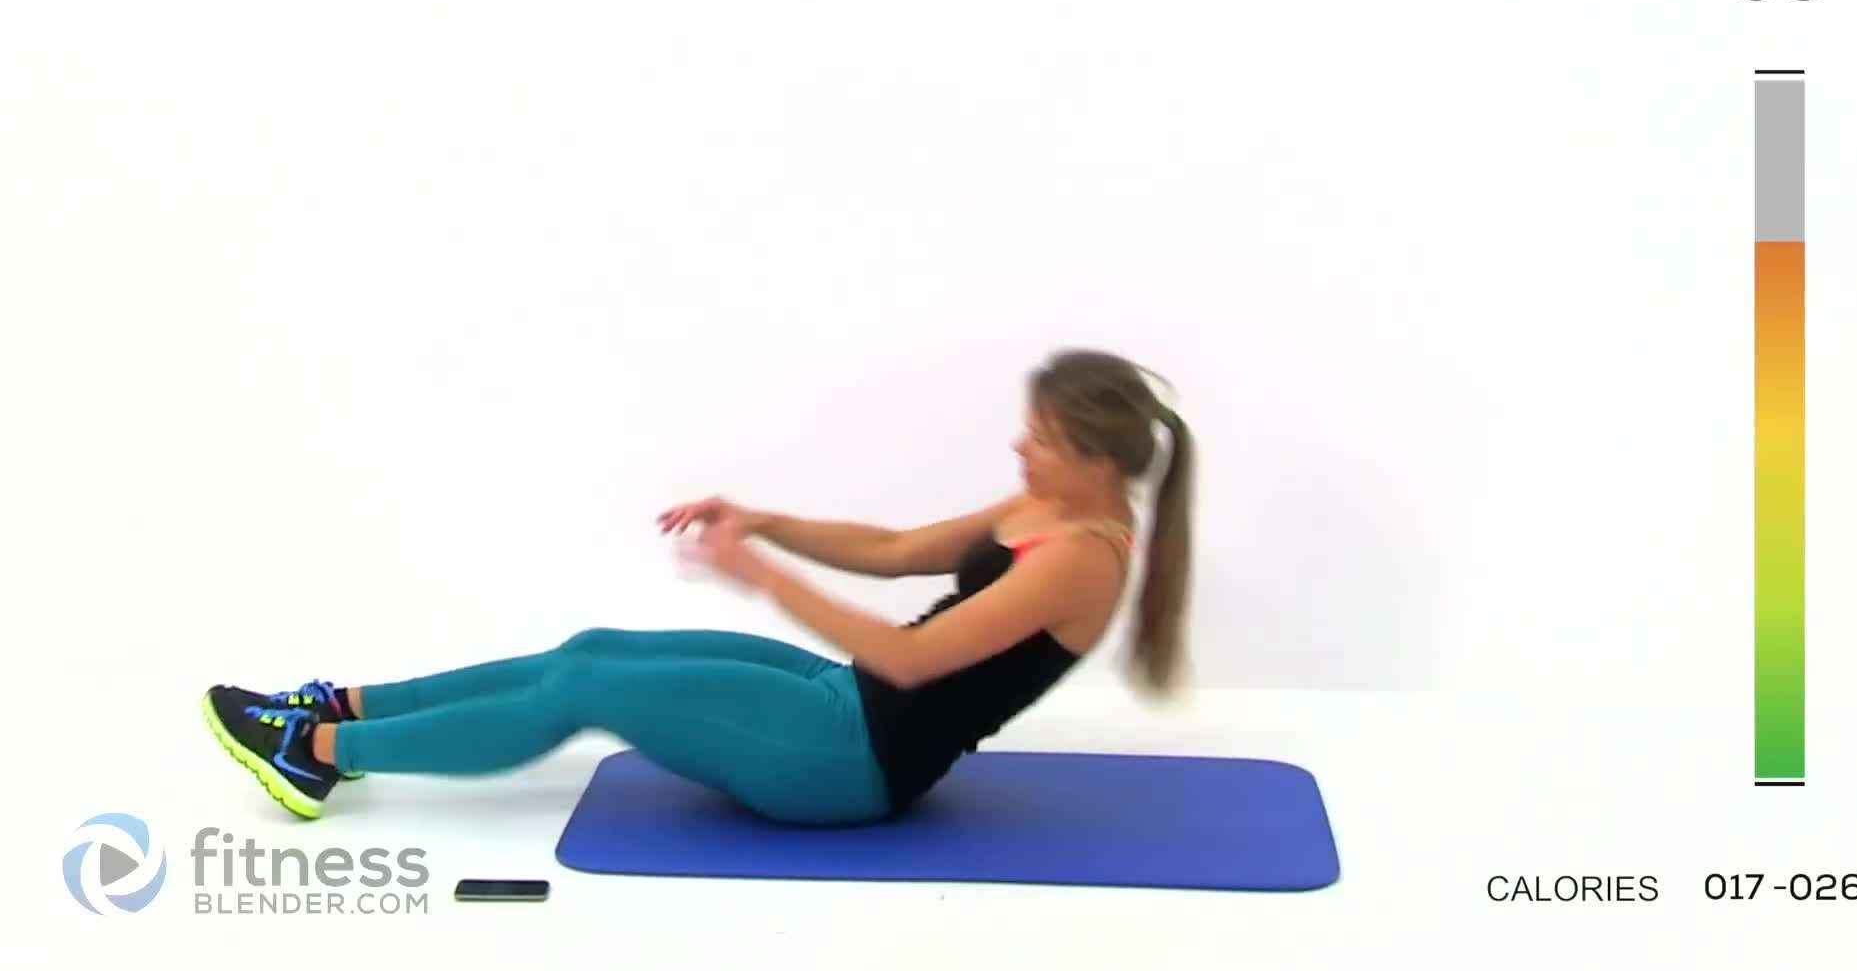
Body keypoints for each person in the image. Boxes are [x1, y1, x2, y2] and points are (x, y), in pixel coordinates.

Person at [201, 348, 1196, 823]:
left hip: (854, 766)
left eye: (1045, 437)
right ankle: (342, 707)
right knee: (590, 653)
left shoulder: (1081, 559)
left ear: (1099, 463)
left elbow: (911, 653)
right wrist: (769, 521)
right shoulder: (1052, 514)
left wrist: (755, 573)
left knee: (588, 692)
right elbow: (897, 550)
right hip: (844, 702)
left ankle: (317, 754)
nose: (1021, 444)